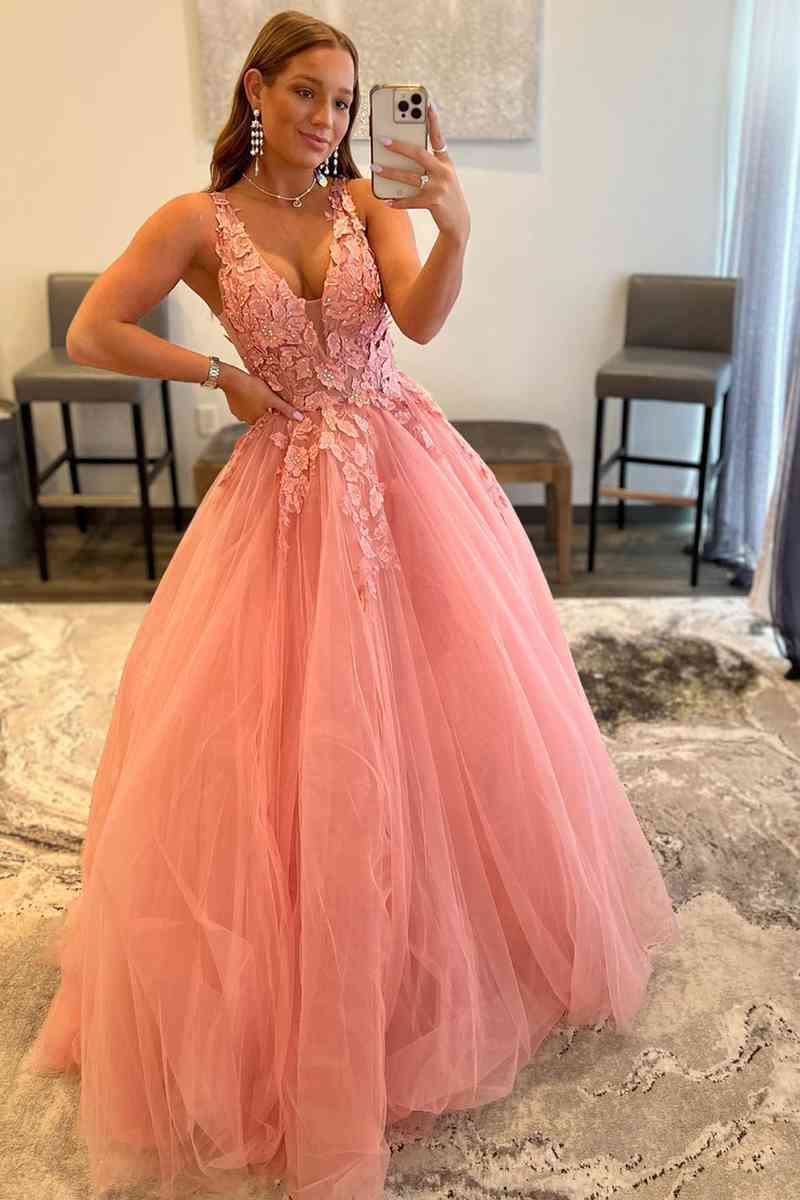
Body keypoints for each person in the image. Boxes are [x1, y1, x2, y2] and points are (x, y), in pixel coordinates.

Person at [23, 10, 681, 1200]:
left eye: (342, 99)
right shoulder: (196, 221)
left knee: (441, 711)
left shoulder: (365, 202)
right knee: (288, 730)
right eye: (307, 94)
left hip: (406, 470)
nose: (326, 118)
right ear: (256, 90)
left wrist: (454, 224)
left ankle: (443, 946)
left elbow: (417, 320)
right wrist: (217, 371)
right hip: (287, 491)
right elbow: (92, 328)